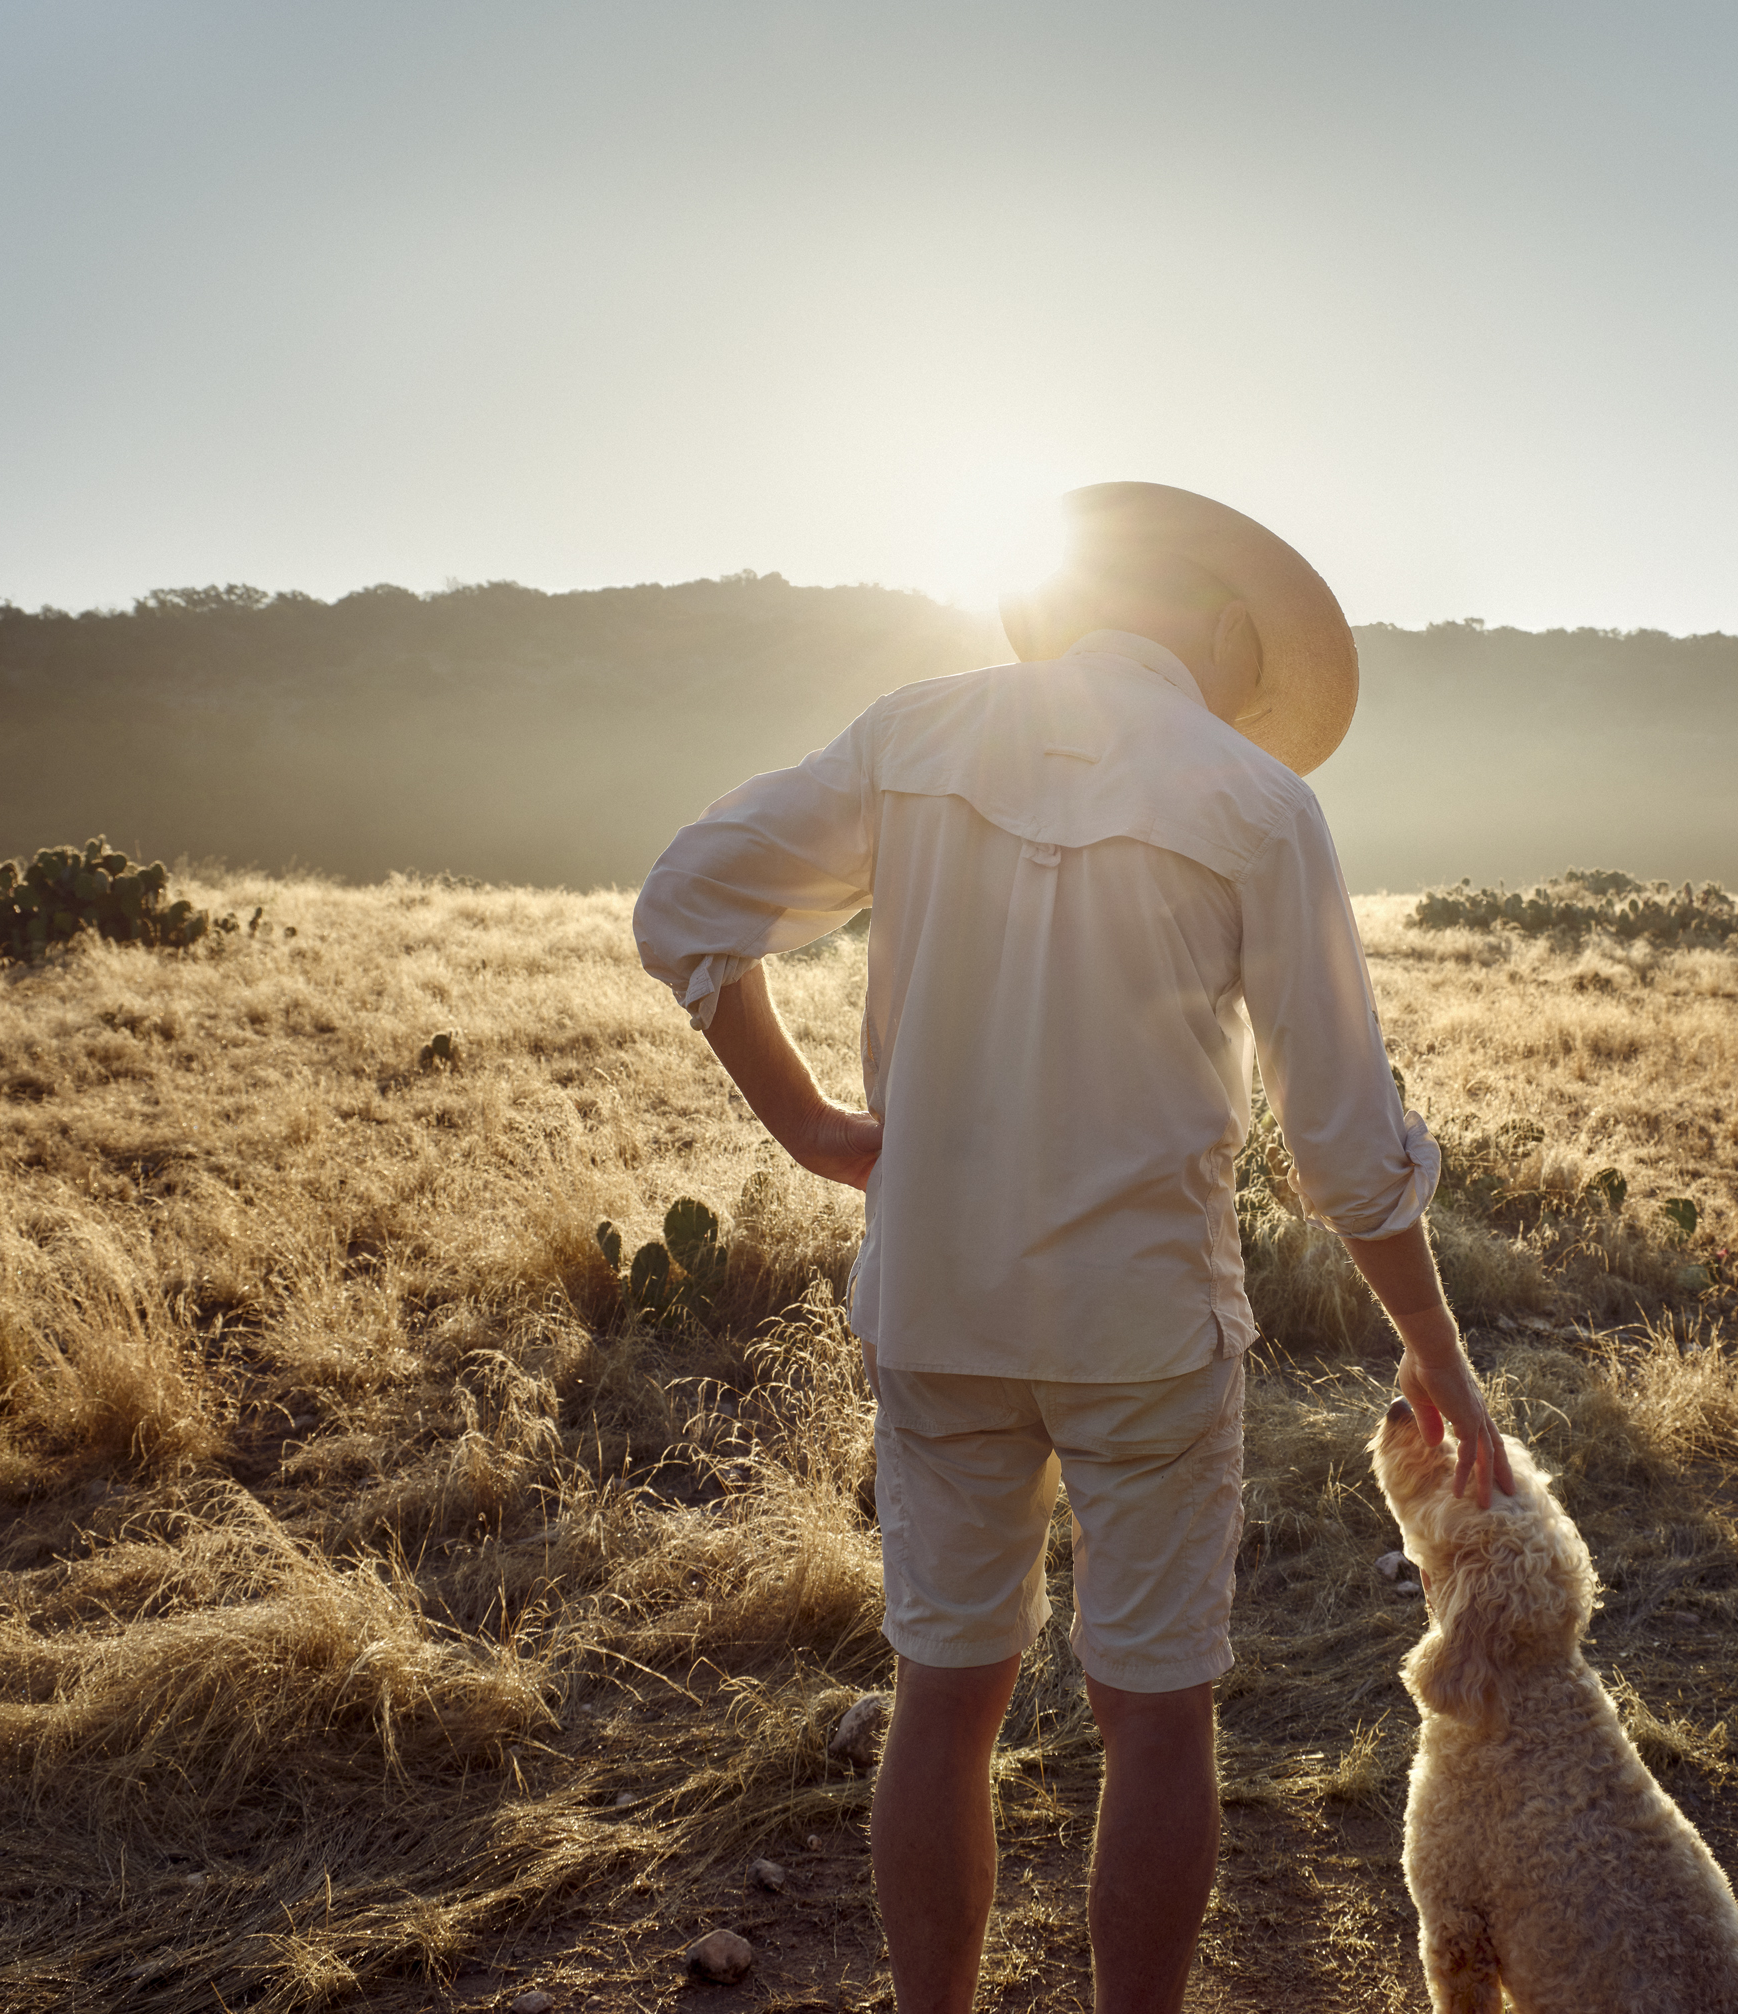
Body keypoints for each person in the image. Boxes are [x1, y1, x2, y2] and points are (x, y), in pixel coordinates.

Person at [633, 481, 1513, 2014]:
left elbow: (687, 901)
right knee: (1156, 1717)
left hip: (938, 1305)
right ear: (1229, 630)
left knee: (943, 1701)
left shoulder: (915, 734)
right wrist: (1445, 1369)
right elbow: (1347, 1150)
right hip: (1147, 1332)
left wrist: (807, 1124)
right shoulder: (1253, 801)